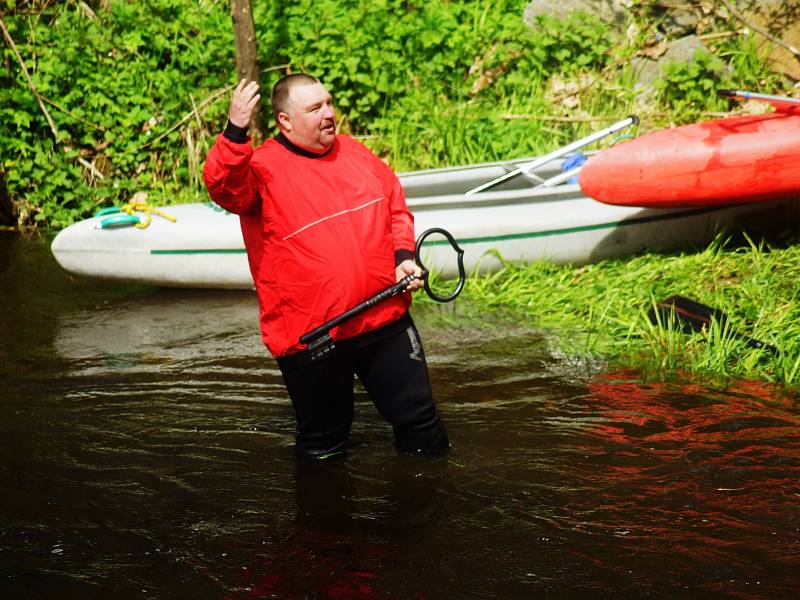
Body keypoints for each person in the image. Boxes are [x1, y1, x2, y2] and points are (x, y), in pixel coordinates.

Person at [203, 74, 449, 459]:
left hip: (382, 318)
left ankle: (429, 512)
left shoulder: (355, 153)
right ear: (286, 121)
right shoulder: (262, 169)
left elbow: (395, 208)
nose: (329, 114)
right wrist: (235, 131)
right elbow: (224, 187)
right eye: (315, 108)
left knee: (423, 427)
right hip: (313, 336)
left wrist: (404, 258)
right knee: (324, 447)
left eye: (329, 103)